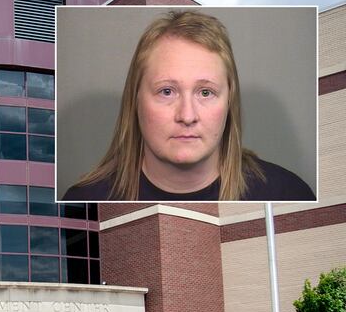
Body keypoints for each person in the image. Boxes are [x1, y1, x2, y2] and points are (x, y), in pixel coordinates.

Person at [62, 11, 314, 202]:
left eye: (206, 92)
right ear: (135, 100)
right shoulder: (83, 197)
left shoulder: (289, 192)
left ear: (229, 102)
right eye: (166, 91)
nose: (187, 116)